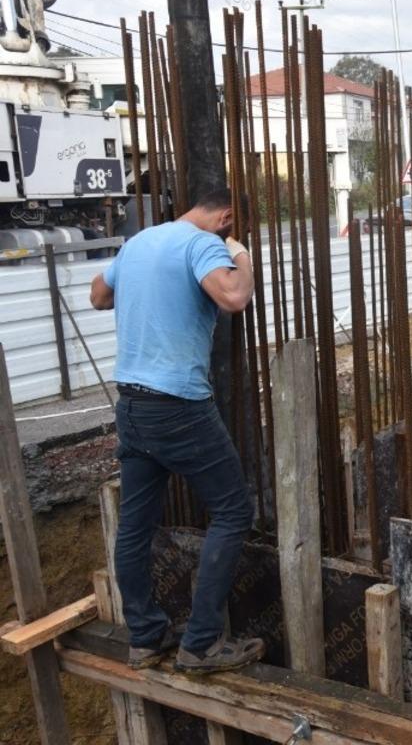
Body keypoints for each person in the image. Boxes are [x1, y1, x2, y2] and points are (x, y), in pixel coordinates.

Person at [89, 188, 266, 675]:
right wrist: (241, 255)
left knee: (135, 525)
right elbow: (234, 296)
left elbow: (98, 295)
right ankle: (201, 644)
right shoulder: (202, 243)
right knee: (233, 510)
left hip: (132, 405)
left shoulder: (139, 242)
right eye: (234, 230)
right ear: (225, 218)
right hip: (179, 406)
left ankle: (145, 638)